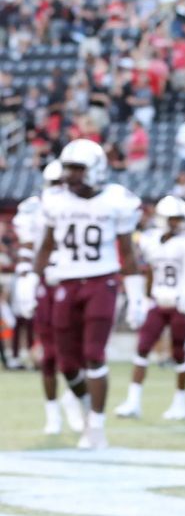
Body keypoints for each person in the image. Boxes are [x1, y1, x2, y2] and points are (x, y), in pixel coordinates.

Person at [34, 138, 142, 450]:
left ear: (95, 169)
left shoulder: (116, 200)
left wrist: (135, 296)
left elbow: (128, 253)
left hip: (101, 282)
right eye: (67, 168)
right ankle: (83, 407)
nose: (70, 175)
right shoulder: (54, 200)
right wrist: (32, 278)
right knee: (67, 364)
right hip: (65, 282)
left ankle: (96, 424)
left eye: (77, 169)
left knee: (94, 355)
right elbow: (45, 245)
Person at [12, 160, 86, 434]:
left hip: (75, 282)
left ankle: (73, 400)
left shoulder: (82, 205)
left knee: (78, 352)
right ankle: (52, 413)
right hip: (47, 283)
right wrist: (24, 280)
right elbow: (28, 248)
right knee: (49, 355)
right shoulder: (36, 208)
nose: (59, 189)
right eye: (55, 184)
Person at [114, 196, 185, 421]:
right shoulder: (150, 239)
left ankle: (180, 404)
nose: (177, 223)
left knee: (179, 353)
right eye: (173, 219)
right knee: (142, 347)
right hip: (157, 300)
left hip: (178, 302)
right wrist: (144, 298)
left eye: (179, 219)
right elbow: (150, 269)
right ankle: (133, 401)